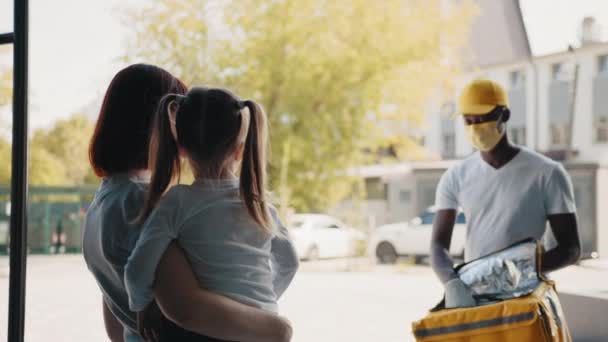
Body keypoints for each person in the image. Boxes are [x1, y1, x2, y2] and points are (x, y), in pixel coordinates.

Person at [83, 64, 293, 342]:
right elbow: (188, 308)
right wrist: (276, 327)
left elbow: (114, 310)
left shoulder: (104, 201)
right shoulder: (142, 204)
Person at [430, 79, 581, 308]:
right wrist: (452, 283)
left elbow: (570, 249)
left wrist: (518, 272)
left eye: (482, 119)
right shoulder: (456, 176)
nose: (475, 127)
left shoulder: (547, 173)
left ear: (505, 115)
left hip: (527, 299)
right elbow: (438, 244)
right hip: (476, 298)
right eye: (468, 121)